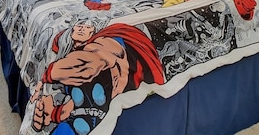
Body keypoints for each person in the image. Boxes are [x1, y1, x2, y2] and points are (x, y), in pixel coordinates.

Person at [30, 20, 164, 134]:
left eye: (88, 27)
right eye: (79, 26)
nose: (82, 28)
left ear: (93, 32)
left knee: (90, 76)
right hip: (96, 100)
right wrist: (54, 113)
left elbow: (85, 65)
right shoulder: (66, 45)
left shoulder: (106, 40)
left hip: (121, 77)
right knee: (81, 102)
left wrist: (47, 77)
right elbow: (77, 102)